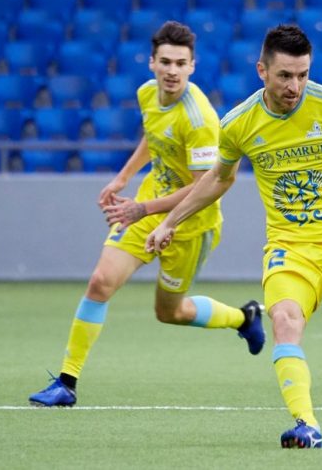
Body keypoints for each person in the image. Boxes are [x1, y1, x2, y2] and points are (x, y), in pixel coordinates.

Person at [146, 25, 322, 448]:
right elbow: (218, 178)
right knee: (285, 323)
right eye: (285, 75)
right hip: (291, 248)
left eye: (303, 75)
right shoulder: (238, 123)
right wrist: (170, 220)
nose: (295, 86)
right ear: (262, 71)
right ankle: (307, 425)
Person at [28, 21, 265, 407]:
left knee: (169, 312)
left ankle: (244, 318)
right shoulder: (147, 94)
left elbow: (204, 187)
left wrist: (144, 209)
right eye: (165, 62)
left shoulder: (199, 120)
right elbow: (154, 137)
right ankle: (67, 383)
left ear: (192, 66)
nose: (172, 71)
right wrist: (123, 177)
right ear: (152, 62)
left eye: (181, 64)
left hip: (191, 224)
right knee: (100, 283)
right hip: (146, 209)